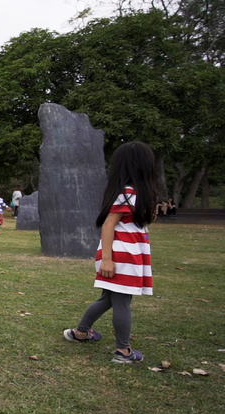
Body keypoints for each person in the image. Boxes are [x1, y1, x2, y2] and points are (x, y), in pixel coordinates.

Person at [64, 141, 156, 364]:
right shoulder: (126, 194)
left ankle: (81, 332)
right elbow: (108, 225)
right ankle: (123, 352)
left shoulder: (134, 194)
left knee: (108, 299)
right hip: (121, 256)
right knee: (122, 302)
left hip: (125, 256)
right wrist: (107, 259)